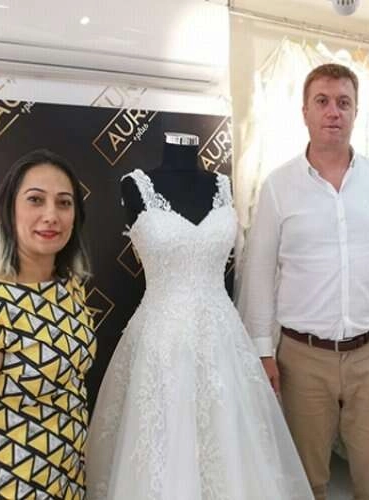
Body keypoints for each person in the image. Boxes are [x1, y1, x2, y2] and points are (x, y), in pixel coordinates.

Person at [85, 132, 313, 500]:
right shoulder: (134, 184)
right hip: (161, 341)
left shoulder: (223, 186)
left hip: (222, 340)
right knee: (163, 445)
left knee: (230, 446)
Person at [239, 63, 369, 500]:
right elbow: (259, 271)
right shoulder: (279, 186)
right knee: (307, 481)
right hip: (303, 359)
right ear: (305, 112)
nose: (333, 111)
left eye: (343, 102)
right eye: (322, 101)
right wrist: (263, 350)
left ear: (356, 112)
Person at [0, 150, 96, 499]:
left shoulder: (70, 288)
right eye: (35, 200)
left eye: (64, 203)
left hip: (69, 485)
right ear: (8, 210)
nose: (51, 215)